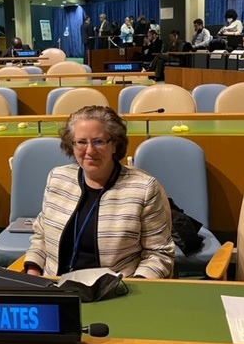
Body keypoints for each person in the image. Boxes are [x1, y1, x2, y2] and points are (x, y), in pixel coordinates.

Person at [23, 106, 175, 278]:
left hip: (115, 292)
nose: (89, 151)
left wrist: (135, 288)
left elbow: (158, 253)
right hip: (56, 287)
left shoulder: (143, 188)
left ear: (115, 145)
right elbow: (41, 236)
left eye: (99, 141)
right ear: (71, 145)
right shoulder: (57, 178)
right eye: (81, 142)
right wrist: (33, 272)